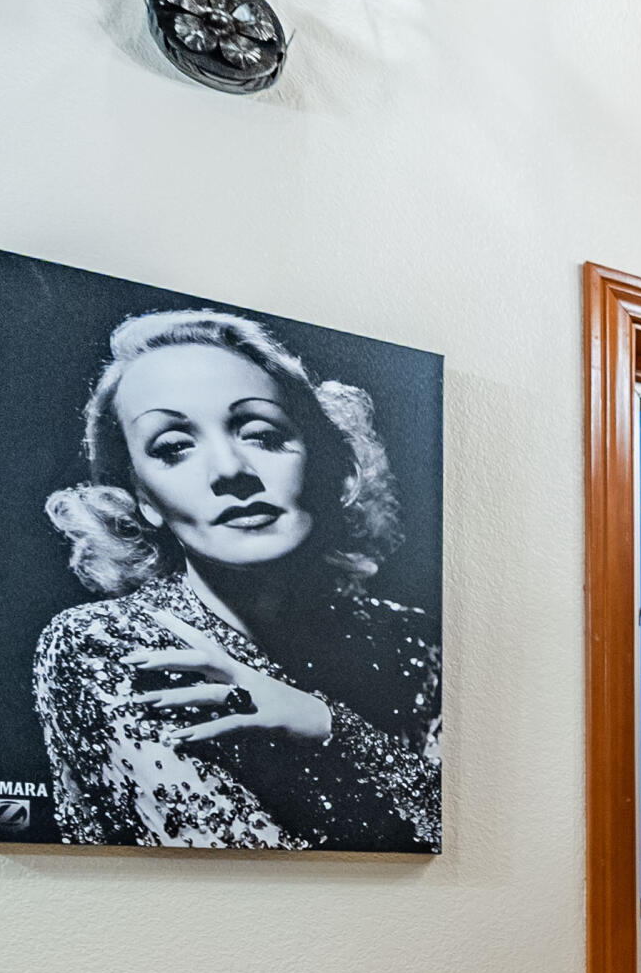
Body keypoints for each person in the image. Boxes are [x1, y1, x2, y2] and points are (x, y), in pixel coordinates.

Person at [34, 309, 440, 850]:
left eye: (262, 434)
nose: (229, 470)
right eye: (174, 447)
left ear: (325, 459)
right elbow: (235, 862)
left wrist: (323, 723)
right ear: (142, 500)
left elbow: (459, 832)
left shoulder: (415, 642)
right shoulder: (104, 645)